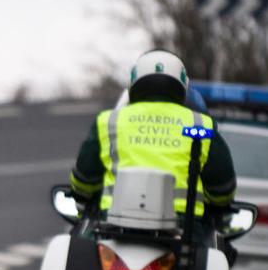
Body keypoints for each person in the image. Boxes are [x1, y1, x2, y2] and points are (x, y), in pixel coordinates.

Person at [70, 49, 237, 228]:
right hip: (185, 231)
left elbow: (84, 180)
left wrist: (84, 198)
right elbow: (223, 187)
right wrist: (217, 207)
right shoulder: (200, 125)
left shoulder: (110, 121)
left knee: (78, 242)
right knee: (219, 252)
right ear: (182, 86)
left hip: (111, 226)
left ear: (134, 83)